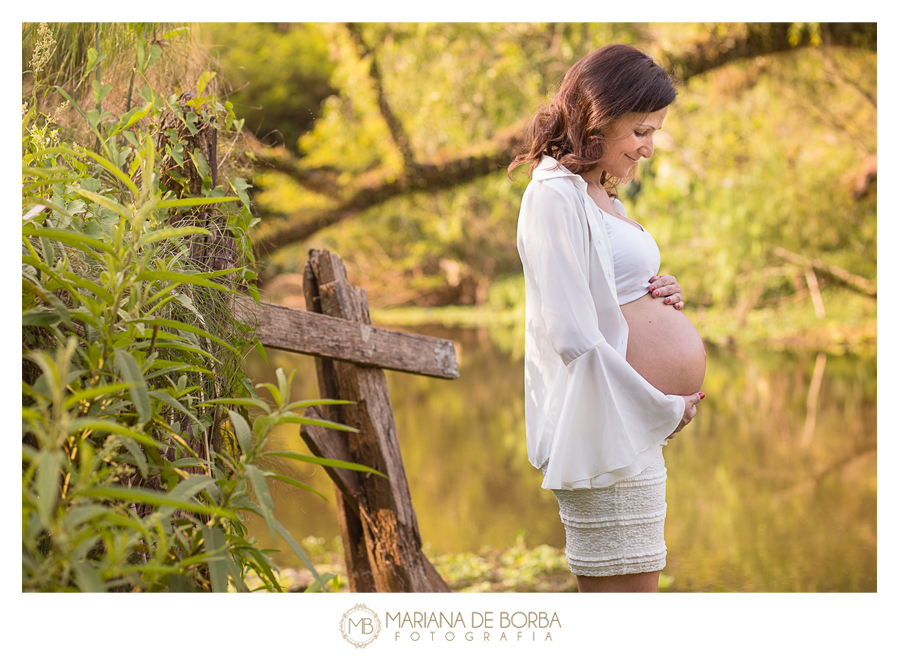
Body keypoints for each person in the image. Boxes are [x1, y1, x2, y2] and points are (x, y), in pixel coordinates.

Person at [509, 44, 707, 593]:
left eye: (655, 133)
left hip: (630, 434)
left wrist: (657, 291)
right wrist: (659, 407)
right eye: (641, 131)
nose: (647, 149)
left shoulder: (598, 193)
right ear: (600, 115)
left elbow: (612, 295)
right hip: (603, 431)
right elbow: (571, 335)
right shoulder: (551, 194)